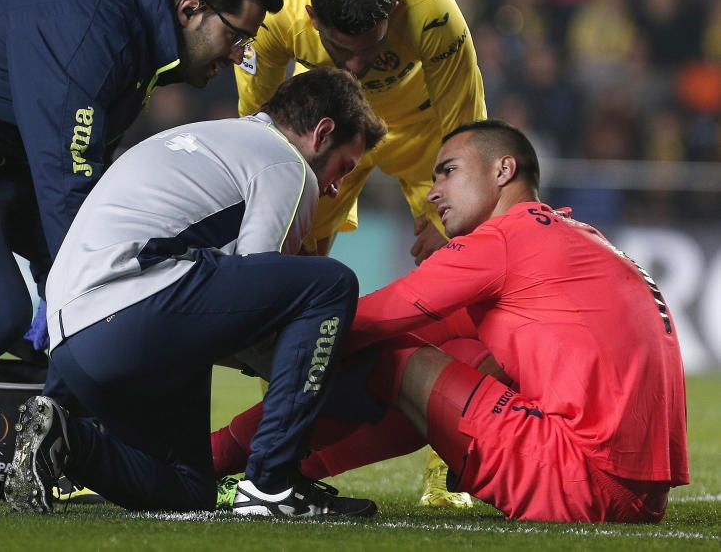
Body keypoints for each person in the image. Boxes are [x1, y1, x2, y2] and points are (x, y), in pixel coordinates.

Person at [0, 0, 283, 502]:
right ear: (190, 9)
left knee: (91, 295)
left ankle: (74, 444)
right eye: (236, 36)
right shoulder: (97, 30)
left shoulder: (132, 30)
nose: (237, 56)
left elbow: (89, 189)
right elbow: (67, 189)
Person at [214, 119, 690, 523]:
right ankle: (272, 473)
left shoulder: (506, 238)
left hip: (575, 476)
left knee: (383, 355)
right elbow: (427, 331)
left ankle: (225, 463)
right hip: (638, 495)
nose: (434, 191)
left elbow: (364, 322)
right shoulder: (575, 237)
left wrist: (239, 335)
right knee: (457, 358)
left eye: (448, 172)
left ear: (504, 170)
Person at [3, 68, 387, 517]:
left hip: (74, 349)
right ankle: (272, 484)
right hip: (134, 314)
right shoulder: (285, 163)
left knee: (189, 491)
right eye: (344, 167)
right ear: (322, 133)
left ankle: (67, 439)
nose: (337, 187)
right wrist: (336, 373)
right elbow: (264, 301)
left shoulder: (211, 139)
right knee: (329, 284)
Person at [234, 0, 486, 507]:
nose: (357, 68)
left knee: (469, 259)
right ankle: (278, 456)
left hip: (423, 127)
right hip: (331, 125)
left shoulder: (432, 10)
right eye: (340, 51)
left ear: (392, 11)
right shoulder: (274, 12)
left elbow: (468, 131)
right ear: (312, 22)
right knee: (281, 273)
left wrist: (450, 214)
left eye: (371, 50)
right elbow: (260, 130)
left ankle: (451, 466)